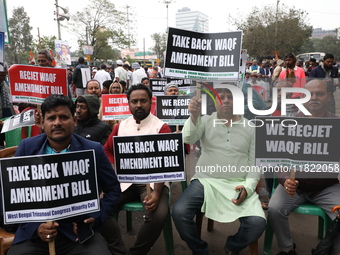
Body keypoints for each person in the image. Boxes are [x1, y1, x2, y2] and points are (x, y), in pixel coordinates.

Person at [7, 94, 121, 255]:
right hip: (35, 235)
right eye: (51, 118)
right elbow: (10, 194)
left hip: (78, 234)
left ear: (74, 121)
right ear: (43, 123)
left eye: (63, 117)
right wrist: (35, 227)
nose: (57, 122)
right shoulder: (27, 148)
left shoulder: (93, 150)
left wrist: (96, 216)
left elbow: (113, 189)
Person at [172, 87, 266, 255]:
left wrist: (248, 187)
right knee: (179, 212)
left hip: (239, 184)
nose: (226, 100)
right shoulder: (206, 120)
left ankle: (232, 246)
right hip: (205, 181)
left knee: (257, 223)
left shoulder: (251, 127)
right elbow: (187, 138)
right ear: (215, 102)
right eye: (220, 97)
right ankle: (200, 250)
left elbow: (255, 164)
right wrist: (194, 116)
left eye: (230, 96)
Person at [268, 80, 340, 255]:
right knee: (274, 208)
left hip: (327, 187)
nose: (314, 98)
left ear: (329, 97)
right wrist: (285, 181)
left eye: (320, 94)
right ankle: (287, 249)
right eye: (309, 94)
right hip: (294, 187)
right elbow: (278, 160)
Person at [102, 84, 171, 255]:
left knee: (158, 215)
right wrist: (114, 169)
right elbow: (107, 150)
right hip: (124, 181)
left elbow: (167, 163)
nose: (139, 105)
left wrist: (156, 193)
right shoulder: (120, 127)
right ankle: (118, 251)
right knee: (100, 209)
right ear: (129, 104)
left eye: (143, 101)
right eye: (134, 101)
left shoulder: (161, 127)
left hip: (153, 183)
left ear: (150, 102)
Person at [0, 63, 15, 147]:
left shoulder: (4, 86)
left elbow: (14, 100)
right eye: (0, 76)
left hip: (5, 127)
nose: (2, 79)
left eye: (4, 76)